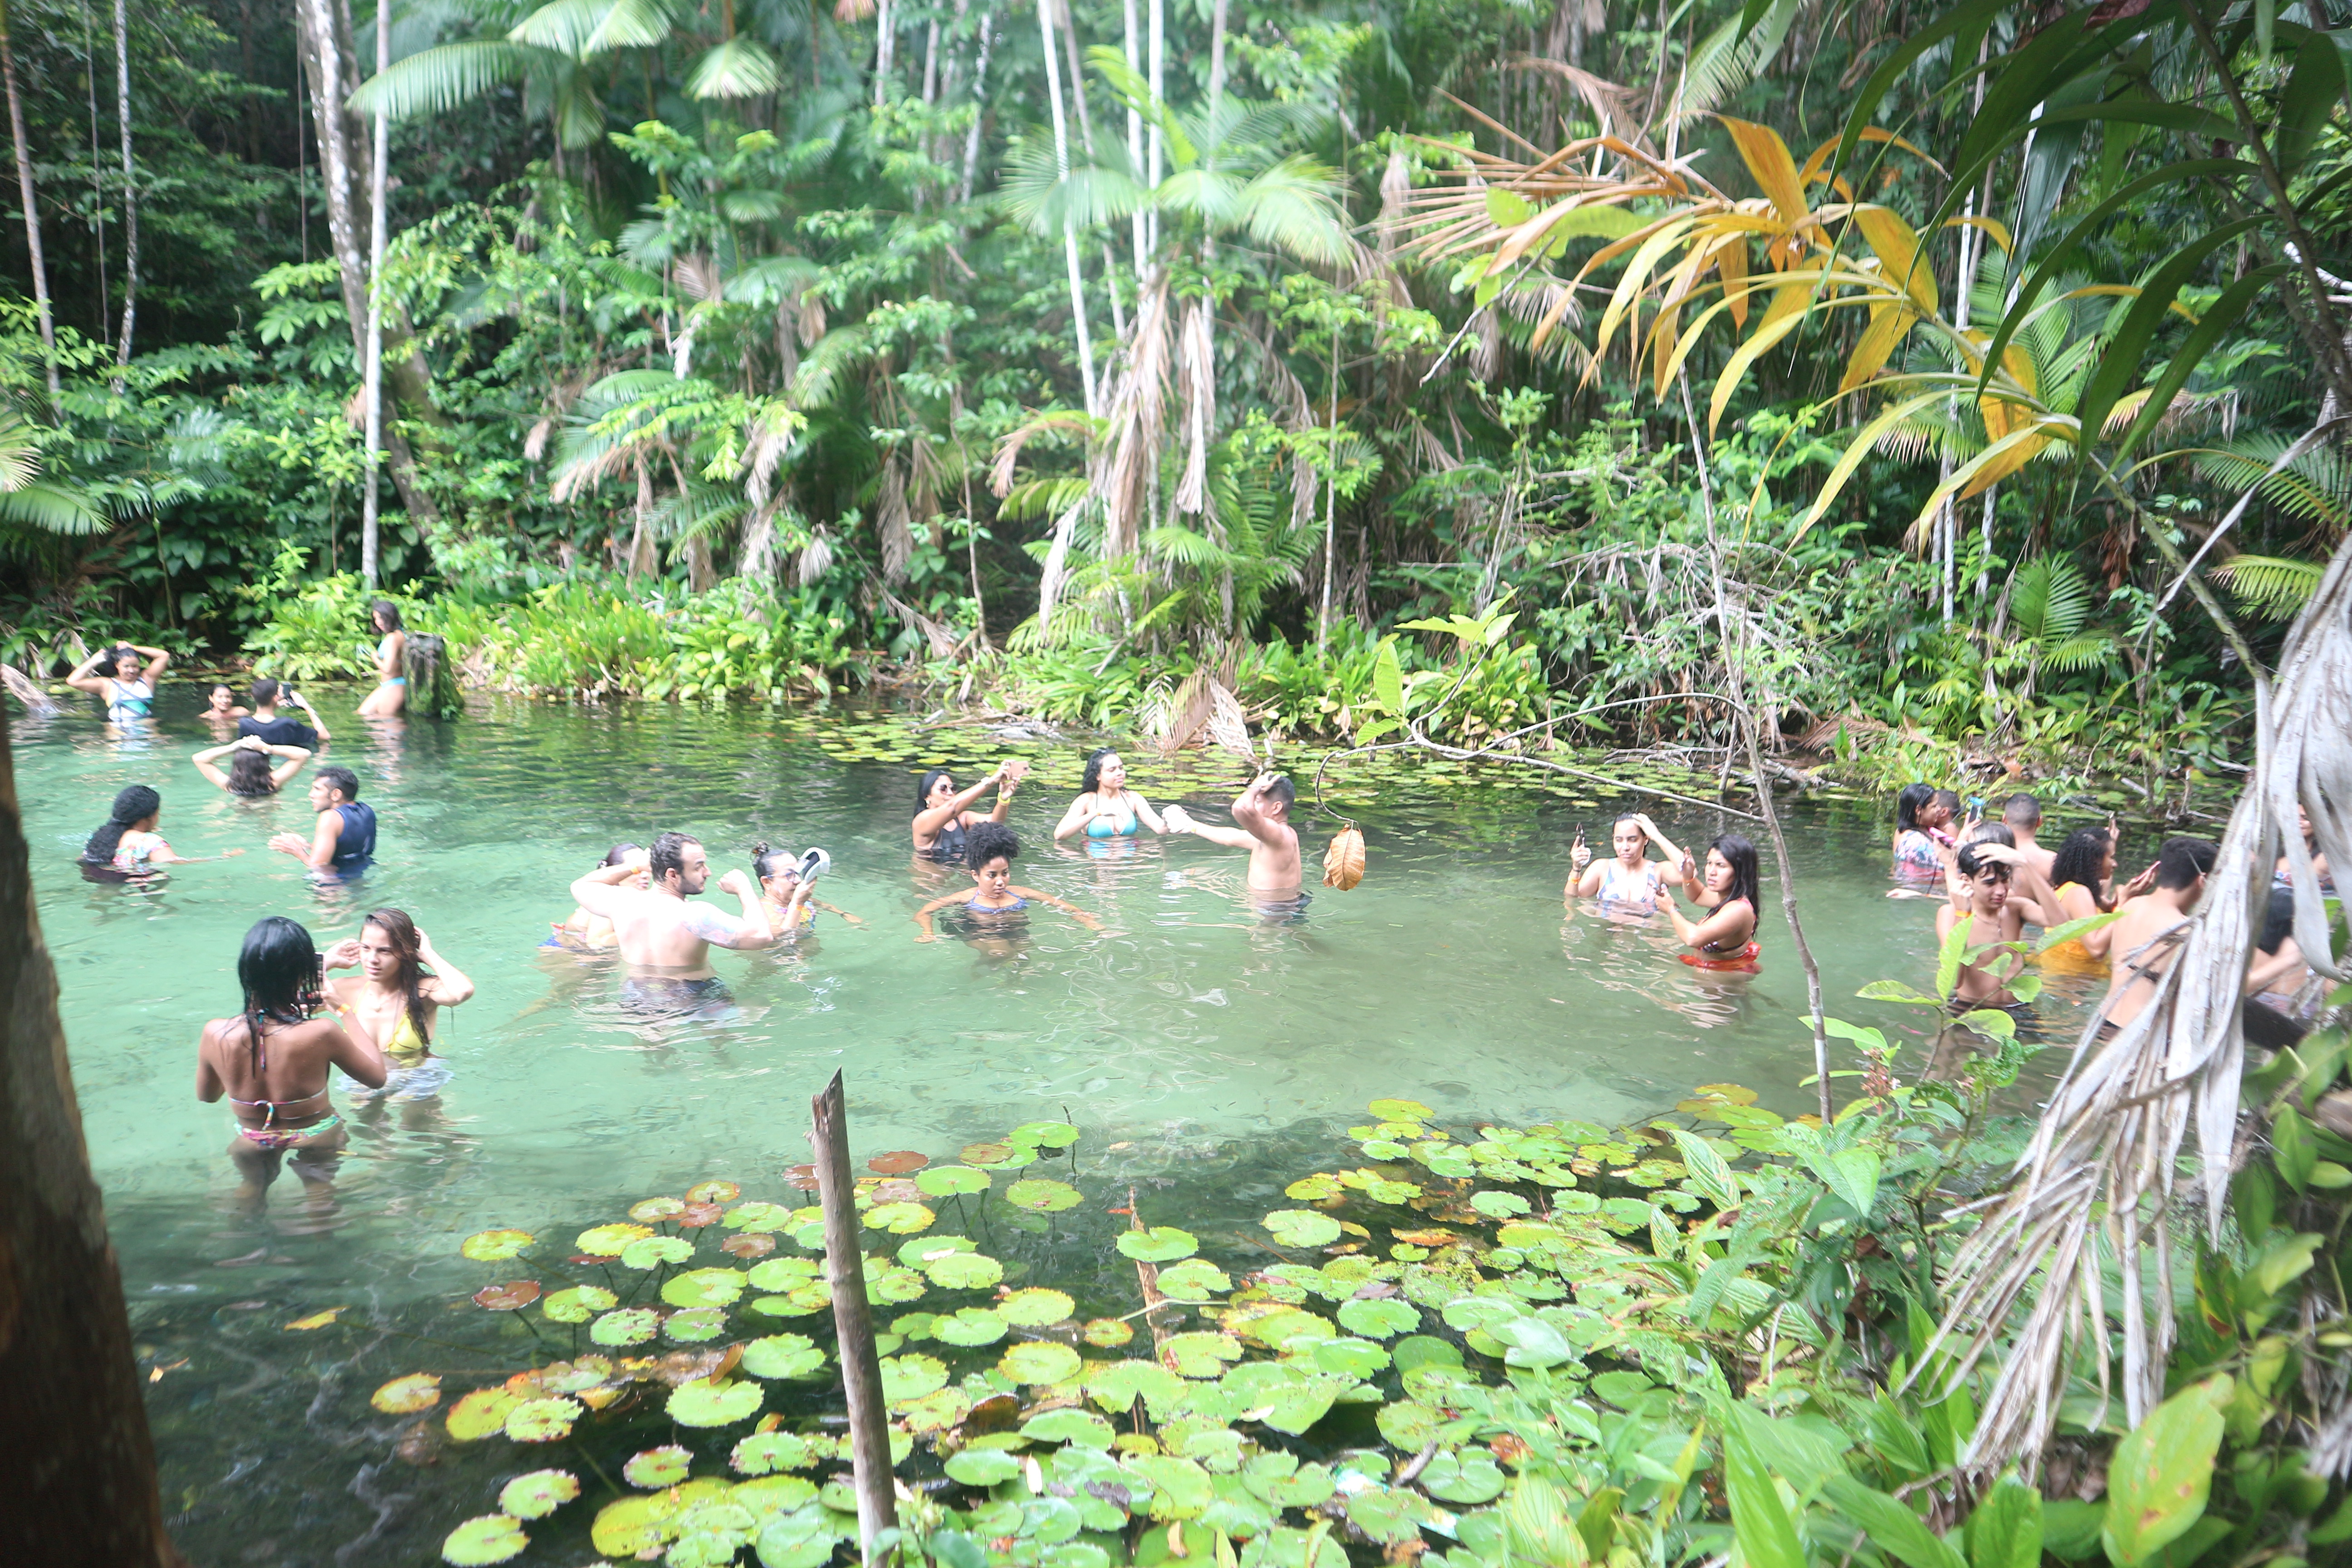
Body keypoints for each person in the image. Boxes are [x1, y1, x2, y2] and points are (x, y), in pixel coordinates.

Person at [195, 916, 387, 1211]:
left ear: (246, 973)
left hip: (252, 1138)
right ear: (301, 975)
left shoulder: (215, 1033)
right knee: (319, 1191)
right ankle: (321, 1250)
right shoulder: (321, 1032)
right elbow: (377, 1077)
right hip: (314, 1135)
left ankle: (241, 1248)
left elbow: (207, 1096)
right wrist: (344, 1010)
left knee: (251, 1188)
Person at [568, 829, 776, 1009]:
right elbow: (762, 937)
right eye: (699, 867)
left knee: (653, 1049)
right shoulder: (696, 914)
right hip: (694, 997)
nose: (708, 873)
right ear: (673, 875)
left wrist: (637, 867)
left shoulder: (623, 902)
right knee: (758, 1011)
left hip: (638, 997)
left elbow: (580, 886)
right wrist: (744, 888)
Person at [324, 909, 475, 1103]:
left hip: (417, 1078)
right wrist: (325, 962)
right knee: (366, 1128)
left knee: (421, 1129)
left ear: (404, 953)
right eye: (366, 948)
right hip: (364, 1080)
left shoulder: (423, 992)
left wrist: (427, 954)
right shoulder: (347, 989)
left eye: (384, 951)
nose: (372, 959)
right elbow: (286, 1004)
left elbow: (461, 992)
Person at [2088, 837, 2218, 1034]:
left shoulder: (2130, 906)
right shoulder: (2186, 931)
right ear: (2202, 881)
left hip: (2104, 1022)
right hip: (2142, 1033)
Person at [914, 822, 1100, 939]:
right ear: (975, 875)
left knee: (1023, 954)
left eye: (1005, 873)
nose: (1001, 881)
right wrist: (928, 933)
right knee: (999, 953)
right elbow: (923, 912)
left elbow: (1058, 903)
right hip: (983, 935)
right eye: (992, 875)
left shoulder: (1019, 893)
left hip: (1018, 934)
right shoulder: (967, 897)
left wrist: (1087, 920)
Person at [1936, 838, 2055, 1008]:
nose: (2000, 891)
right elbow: (1953, 981)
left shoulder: (2016, 908)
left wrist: (2026, 865)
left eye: (2005, 880)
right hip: (1972, 1011)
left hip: (2018, 1009)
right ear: (1967, 880)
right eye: (1990, 883)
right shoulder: (1949, 914)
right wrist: (1961, 915)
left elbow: (2061, 923)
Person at [1161, 773, 1304, 897]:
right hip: (1288, 905)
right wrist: (1192, 826)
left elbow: (1240, 808)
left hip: (1274, 912)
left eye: (1257, 801)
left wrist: (1255, 787)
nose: (1252, 805)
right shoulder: (1279, 835)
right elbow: (1231, 837)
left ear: (1277, 808)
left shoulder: (1277, 833)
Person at [78, 783, 243, 876]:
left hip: (100, 879)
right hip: (136, 887)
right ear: (149, 816)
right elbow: (174, 863)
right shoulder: (150, 842)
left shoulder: (101, 835)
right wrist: (223, 858)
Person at [1656, 833, 1762, 970]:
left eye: (1721, 866)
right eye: (1709, 863)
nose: (1712, 872)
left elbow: (1693, 938)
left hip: (1720, 987)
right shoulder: (1731, 898)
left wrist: (1671, 910)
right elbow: (1698, 896)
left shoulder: (1738, 909)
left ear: (1739, 871)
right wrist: (1688, 875)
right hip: (1713, 983)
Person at [2038, 826, 2131, 976]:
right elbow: (2096, 949)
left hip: (2066, 977)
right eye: (2112, 857)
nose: (2115, 864)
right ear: (2095, 862)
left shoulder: (2069, 888)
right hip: (2071, 985)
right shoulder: (2078, 894)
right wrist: (2124, 904)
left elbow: (2103, 895)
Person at [1565, 812, 1689, 911]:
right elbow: (1572, 899)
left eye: (1632, 840)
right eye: (1619, 840)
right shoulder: (1602, 868)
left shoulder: (1658, 871)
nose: (1625, 847)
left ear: (1646, 840)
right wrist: (1576, 867)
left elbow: (1690, 873)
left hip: (1646, 936)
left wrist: (1656, 835)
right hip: (1607, 934)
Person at [912, 761, 1030, 861]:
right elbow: (952, 808)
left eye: (953, 788)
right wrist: (991, 781)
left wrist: (1003, 799)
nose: (950, 793)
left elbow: (995, 823)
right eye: (943, 789)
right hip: (930, 880)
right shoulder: (921, 821)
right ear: (927, 796)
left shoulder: (963, 818)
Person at [269, 765, 375, 873]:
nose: (311, 795)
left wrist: (296, 850)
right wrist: (309, 846)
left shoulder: (330, 817)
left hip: (335, 881)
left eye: (317, 789)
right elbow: (348, 849)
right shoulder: (366, 810)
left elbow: (318, 866)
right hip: (364, 871)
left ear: (336, 794)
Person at [1053, 750, 1169, 841]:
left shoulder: (1133, 798)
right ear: (1098, 776)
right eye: (1112, 770)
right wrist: (1096, 813)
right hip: (1097, 863)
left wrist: (1169, 820)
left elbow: (1160, 829)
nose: (1120, 773)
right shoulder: (1086, 800)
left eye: (1121, 768)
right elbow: (1059, 835)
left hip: (1130, 862)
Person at [549, 843, 645, 950]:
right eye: (637, 870)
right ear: (618, 872)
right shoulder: (609, 897)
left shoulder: (621, 894)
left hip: (575, 949)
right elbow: (596, 942)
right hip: (564, 954)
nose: (645, 875)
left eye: (648, 868)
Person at [753, 842, 861, 932]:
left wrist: (844, 914)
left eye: (797, 873)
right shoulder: (763, 912)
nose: (798, 880)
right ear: (767, 882)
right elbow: (785, 936)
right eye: (789, 875)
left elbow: (823, 906)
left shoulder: (803, 900)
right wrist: (798, 904)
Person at [65, 642, 169, 726]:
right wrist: (94, 661)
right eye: (126, 666)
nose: (131, 670)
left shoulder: (147, 679)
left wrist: (133, 647)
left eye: (135, 666)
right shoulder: (107, 685)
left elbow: (164, 656)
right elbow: (73, 681)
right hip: (117, 730)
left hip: (146, 727)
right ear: (117, 666)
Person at [192, 734, 313, 795]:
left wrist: (233, 747)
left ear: (237, 764)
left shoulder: (230, 786)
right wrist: (266, 748)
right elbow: (304, 754)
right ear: (264, 763)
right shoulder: (273, 783)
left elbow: (199, 759)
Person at [239, 677, 330, 749]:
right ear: (275, 698)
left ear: (253, 697)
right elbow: (324, 736)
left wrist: (274, 705)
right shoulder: (287, 724)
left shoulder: (244, 723)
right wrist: (307, 707)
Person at [358, 600, 408, 717]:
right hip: (390, 684)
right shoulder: (400, 634)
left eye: (381, 618)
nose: (378, 622)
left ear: (390, 616)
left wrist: (374, 658)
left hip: (396, 686)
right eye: (376, 618)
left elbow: (387, 669)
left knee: (386, 722)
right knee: (363, 713)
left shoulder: (392, 638)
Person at [1891, 784, 1948, 878]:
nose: (1939, 809)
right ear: (1918, 810)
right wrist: (1963, 839)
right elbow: (1948, 867)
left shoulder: (1901, 831)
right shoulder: (1917, 841)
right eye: (1934, 806)